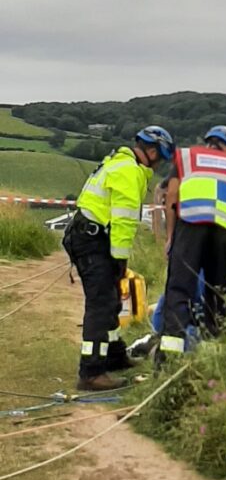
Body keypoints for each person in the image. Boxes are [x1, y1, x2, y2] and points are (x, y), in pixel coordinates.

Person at [63, 126, 175, 391]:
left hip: (89, 236)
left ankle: (113, 356)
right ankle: (91, 373)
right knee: (101, 305)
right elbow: (123, 222)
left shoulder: (118, 161)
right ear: (150, 152)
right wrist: (120, 261)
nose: (159, 165)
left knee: (111, 299)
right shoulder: (128, 171)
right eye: (160, 159)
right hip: (93, 240)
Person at [158, 125, 226, 357]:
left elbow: (172, 196)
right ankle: (212, 361)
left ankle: (170, 360)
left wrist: (171, 236)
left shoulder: (188, 158)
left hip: (191, 225)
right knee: (218, 293)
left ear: (208, 142)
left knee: (179, 290)